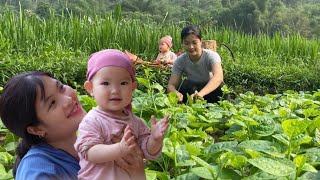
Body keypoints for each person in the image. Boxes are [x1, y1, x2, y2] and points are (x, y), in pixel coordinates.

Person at [0, 71, 146, 180]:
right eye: (52, 103)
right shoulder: (38, 171)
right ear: (37, 129)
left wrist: (137, 172)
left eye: (61, 87)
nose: (68, 99)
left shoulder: (102, 141)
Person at [74, 49, 169, 180]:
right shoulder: (92, 120)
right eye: (105, 83)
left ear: (133, 87)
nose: (115, 90)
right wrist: (119, 149)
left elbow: (148, 152)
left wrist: (155, 140)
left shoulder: (136, 122)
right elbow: (89, 152)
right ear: (90, 88)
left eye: (123, 83)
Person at [167, 25, 224, 104]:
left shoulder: (211, 56)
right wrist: (175, 93)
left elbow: (218, 77)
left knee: (221, 87)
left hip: (210, 90)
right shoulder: (180, 61)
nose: (191, 47)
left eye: (194, 42)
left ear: (201, 41)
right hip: (192, 90)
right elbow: (171, 85)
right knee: (184, 85)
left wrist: (200, 94)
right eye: (186, 43)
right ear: (182, 43)